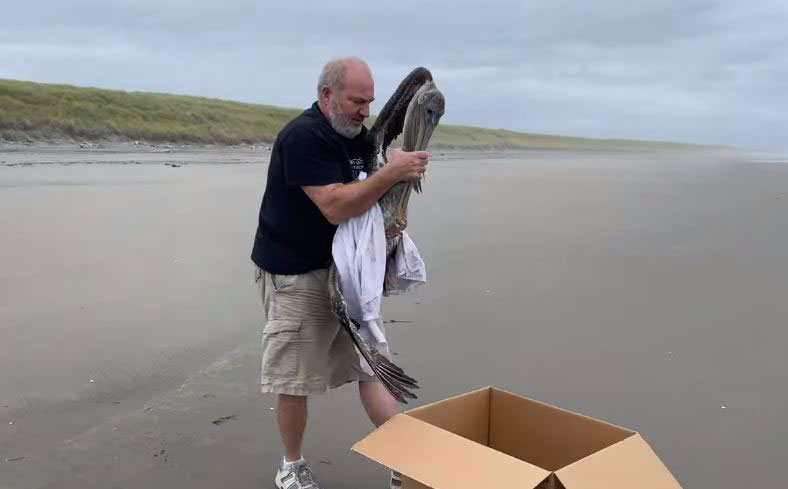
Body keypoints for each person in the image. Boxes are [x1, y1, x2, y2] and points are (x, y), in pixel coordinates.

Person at [250, 57, 428, 489]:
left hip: (344, 273)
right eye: (356, 101)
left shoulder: (356, 138)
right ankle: (291, 466)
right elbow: (335, 206)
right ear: (326, 94)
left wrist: (390, 218)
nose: (365, 111)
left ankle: (404, 461)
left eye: (369, 102)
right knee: (295, 378)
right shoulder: (303, 137)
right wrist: (389, 174)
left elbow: (368, 202)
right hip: (296, 275)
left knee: (372, 366)